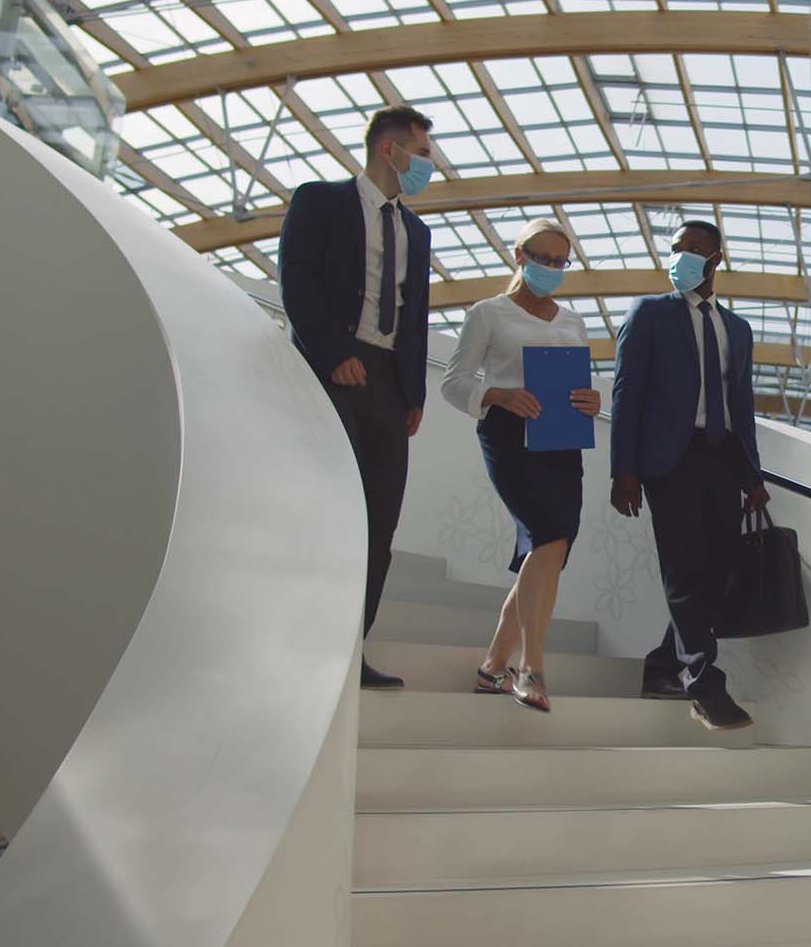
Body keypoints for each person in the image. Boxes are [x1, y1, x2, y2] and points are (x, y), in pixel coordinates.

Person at [278, 105, 436, 690]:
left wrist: (413, 390)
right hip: (334, 367)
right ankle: (297, 638)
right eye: (422, 154)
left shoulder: (416, 231)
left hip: (390, 385)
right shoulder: (320, 200)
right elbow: (296, 279)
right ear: (388, 151)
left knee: (379, 521)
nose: (428, 166)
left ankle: (350, 648)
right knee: (324, 509)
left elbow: (415, 315)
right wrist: (331, 351)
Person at [611, 220, 769, 731]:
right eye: (676, 249)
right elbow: (626, 393)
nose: (682, 257)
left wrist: (752, 475)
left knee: (716, 571)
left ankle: (661, 665)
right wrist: (623, 470)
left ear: (717, 259)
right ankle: (704, 683)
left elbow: (741, 406)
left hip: (722, 456)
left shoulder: (737, 329)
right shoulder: (651, 314)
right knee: (683, 567)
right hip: (668, 461)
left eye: (695, 250)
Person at [440, 219, 600, 711]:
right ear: (519, 255)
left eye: (559, 262)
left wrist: (590, 401)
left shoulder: (573, 321)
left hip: (562, 439)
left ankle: (491, 668)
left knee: (550, 552)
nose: (550, 268)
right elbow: (454, 382)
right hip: (509, 436)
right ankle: (530, 668)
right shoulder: (487, 313)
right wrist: (498, 394)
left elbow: (578, 383)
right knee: (548, 536)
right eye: (542, 258)